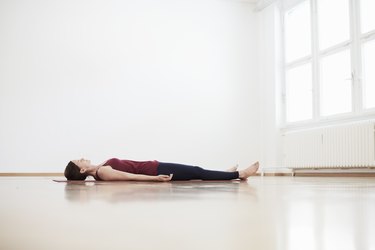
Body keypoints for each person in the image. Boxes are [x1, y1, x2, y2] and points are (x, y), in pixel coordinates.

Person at [64, 158, 260, 181]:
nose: (82, 158)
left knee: (195, 171)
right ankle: (239, 174)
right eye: (79, 161)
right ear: (82, 171)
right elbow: (128, 176)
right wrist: (155, 178)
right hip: (156, 170)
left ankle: (224, 173)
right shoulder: (102, 172)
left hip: (156, 166)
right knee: (196, 171)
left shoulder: (100, 169)